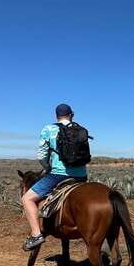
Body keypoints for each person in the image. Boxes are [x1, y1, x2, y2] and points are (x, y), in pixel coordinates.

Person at [21, 103, 89, 251]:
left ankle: (36, 234)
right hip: (82, 176)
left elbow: (41, 155)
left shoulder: (49, 129)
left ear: (56, 116)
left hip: (58, 175)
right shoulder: (80, 130)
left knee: (26, 198)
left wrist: (47, 167)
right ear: (71, 115)